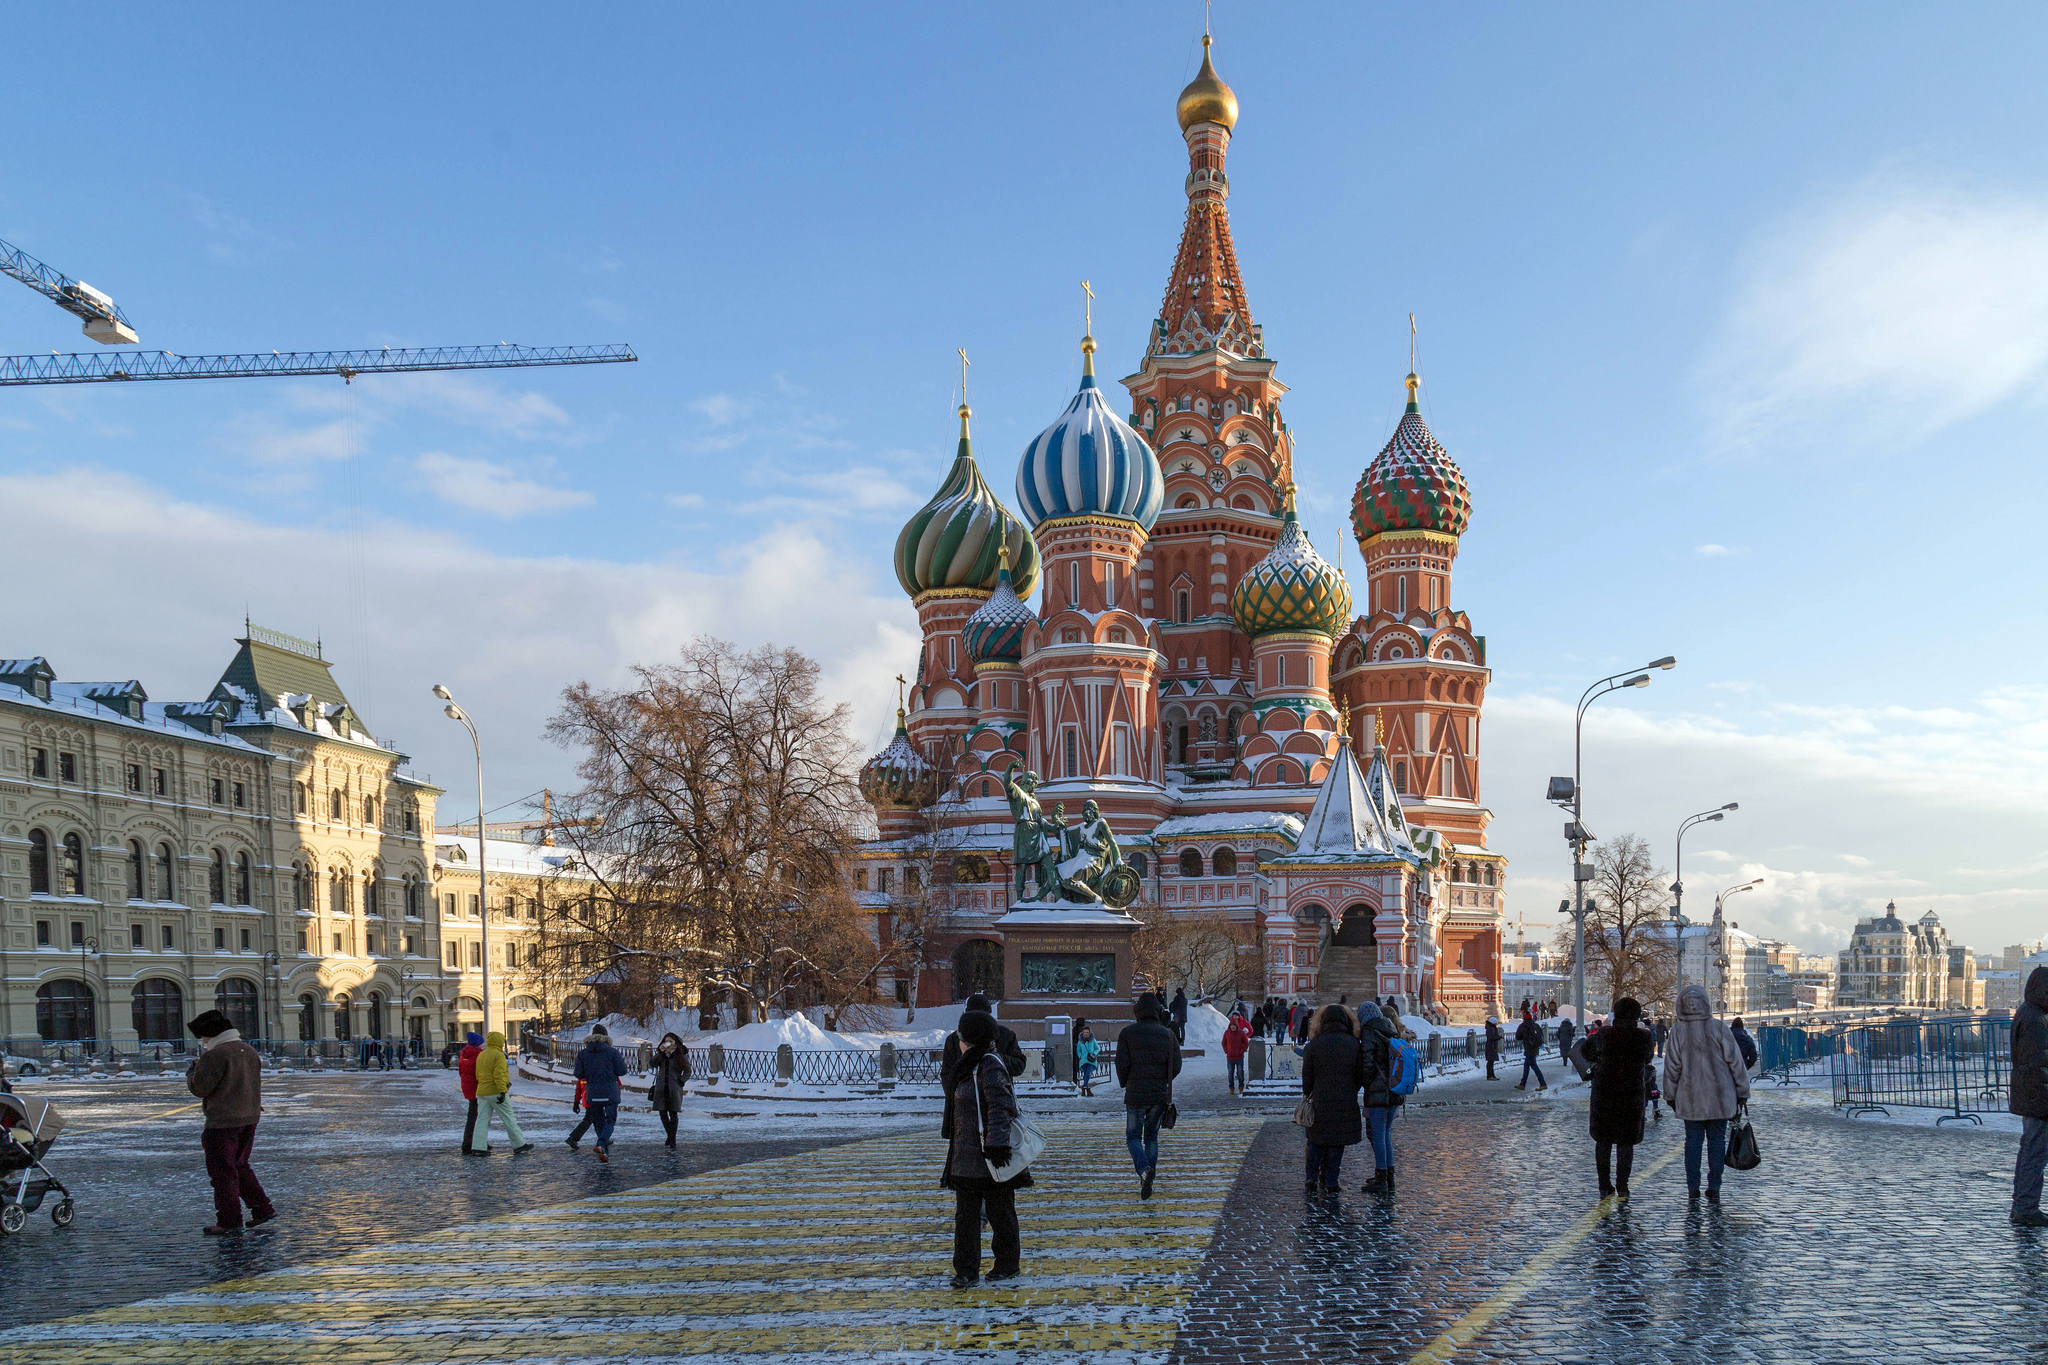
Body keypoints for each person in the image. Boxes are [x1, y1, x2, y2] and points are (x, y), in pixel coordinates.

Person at [943, 1010, 1030, 1287]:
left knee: (1000, 1213)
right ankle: (966, 1271)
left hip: (990, 1155)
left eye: (962, 1034)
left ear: (972, 1037)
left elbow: (1001, 1107)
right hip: (966, 1157)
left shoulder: (989, 1064)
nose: (958, 1039)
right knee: (966, 1218)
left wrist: (997, 1145)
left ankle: (1007, 1264)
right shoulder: (966, 1064)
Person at [185, 1009, 276, 1236]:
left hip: (223, 1121)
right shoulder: (248, 1050)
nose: (202, 1041)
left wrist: (192, 1071)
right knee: (239, 1165)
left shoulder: (215, 1055)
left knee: (222, 1173)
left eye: (203, 1036)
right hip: (249, 1117)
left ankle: (229, 1220)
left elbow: (200, 1088)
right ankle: (262, 1208)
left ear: (211, 1034)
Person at [1664, 983, 1750, 1202]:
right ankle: (1715, 1186)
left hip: (1691, 1097)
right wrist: (1742, 1091)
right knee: (1717, 1141)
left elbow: (1672, 1067)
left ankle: (1693, 1187)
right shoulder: (1719, 1028)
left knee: (1692, 1142)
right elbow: (1736, 1063)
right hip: (1720, 1097)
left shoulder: (1677, 1031)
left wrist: (1670, 1095)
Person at [1585, 998, 1653, 1199]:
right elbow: (1647, 1057)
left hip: (1604, 1094)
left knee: (1603, 1141)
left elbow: (1586, 1051)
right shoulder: (1642, 1037)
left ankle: (1604, 1185)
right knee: (1625, 1142)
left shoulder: (1604, 1034)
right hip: (1630, 1095)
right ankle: (1622, 1186)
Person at [1115, 994, 1181, 1200]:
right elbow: (1176, 1066)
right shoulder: (1168, 1034)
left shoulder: (1127, 1033)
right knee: (1151, 1137)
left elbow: (1121, 1063)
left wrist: (1126, 1081)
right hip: (1158, 1095)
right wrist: (1162, 1079)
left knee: (1133, 1137)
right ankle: (1148, 1175)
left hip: (1135, 1094)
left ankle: (1144, 1170)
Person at [942, 995, 1028, 1146]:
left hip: (987, 1112)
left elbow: (1019, 1065)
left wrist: (993, 1058)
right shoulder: (955, 1039)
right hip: (966, 1113)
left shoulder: (1004, 1035)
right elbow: (947, 1075)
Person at [1300, 1004, 1365, 1193]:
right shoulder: (1353, 1044)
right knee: (1337, 1142)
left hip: (1320, 1099)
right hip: (1346, 1100)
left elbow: (1307, 1074)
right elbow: (1360, 1074)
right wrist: (1351, 1088)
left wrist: (1309, 1092)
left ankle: (1311, 1177)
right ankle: (1331, 1181)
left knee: (1317, 1141)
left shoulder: (1315, 1044)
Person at [2010, 966, 2048, 1225]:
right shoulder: (2036, 1019)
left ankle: (2023, 1206)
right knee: (2034, 1154)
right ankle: (2025, 1208)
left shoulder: (2030, 1013)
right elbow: (2038, 1064)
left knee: (2031, 1152)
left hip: (2033, 1095)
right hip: (2039, 1098)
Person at [1357, 1000, 1403, 1192]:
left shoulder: (1369, 1033)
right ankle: (1388, 1175)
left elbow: (1367, 1064)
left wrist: (1366, 1083)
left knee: (1378, 1135)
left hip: (1378, 1092)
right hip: (1394, 1089)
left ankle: (1381, 1177)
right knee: (1386, 1134)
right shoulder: (1390, 1029)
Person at [567, 1024, 629, 1161]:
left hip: (592, 1092)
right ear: (606, 1037)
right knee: (610, 1120)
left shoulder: (583, 1054)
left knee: (599, 1121)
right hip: (610, 1091)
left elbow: (578, 1074)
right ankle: (601, 1144)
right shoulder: (612, 1052)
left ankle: (604, 1152)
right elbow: (622, 1071)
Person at [470, 1030, 533, 1155]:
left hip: (482, 1092)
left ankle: (478, 1147)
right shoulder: (498, 1055)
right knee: (509, 1118)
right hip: (495, 1091)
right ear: (499, 1042)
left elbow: (478, 1074)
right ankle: (519, 1144)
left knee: (481, 1120)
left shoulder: (481, 1054)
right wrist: (502, 1091)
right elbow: (499, 1075)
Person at [649, 1032, 691, 1149]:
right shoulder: (661, 1054)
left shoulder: (680, 1055)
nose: (668, 1044)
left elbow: (688, 1071)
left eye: (670, 1041)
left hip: (674, 1088)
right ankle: (670, 1135)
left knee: (673, 1113)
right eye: (666, 1041)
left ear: (675, 1043)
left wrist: (681, 1081)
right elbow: (652, 1064)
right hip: (661, 1087)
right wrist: (660, 1052)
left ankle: (672, 1139)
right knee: (662, 1112)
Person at [458, 1031, 485, 1153]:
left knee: (473, 1116)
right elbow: (480, 1073)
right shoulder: (477, 1055)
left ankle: (472, 1142)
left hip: (467, 1086)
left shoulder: (465, 1054)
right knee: (476, 1117)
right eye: (481, 1044)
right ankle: (471, 1143)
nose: (482, 1046)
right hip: (475, 1087)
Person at [1514, 1009, 1548, 1091]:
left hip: (1528, 1047)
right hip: (1535, 1047)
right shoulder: (1536, 1025)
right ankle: (1522, 1084)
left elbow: (1518, 1037)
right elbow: (1541, 1035)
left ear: (1524, 1018)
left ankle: (1543, 1083)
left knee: (1533, 1066)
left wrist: (1525, 1037)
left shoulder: (1523, 1026)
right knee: (1527, 1066)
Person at [1222, 1010, 1252, 1096]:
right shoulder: (1227, 1033)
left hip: (1239, 1057)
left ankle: (1241, 1087)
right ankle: (1231, 1087)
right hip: (1230, 1057)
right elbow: (1223, 1043)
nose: (1233, 1027)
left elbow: (1246, 1043)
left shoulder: (1241, 1033)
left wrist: (1241, 1050)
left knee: (1240, 1072)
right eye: (1232, 1026)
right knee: (1230, 1073)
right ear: (1230, 1026)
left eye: (1234, 1026)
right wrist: (1226, 1050)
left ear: (1236, 1026)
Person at [1075, 1024, 1099, 1097]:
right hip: (1083, 1060)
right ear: (1082, 1033)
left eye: (1087, 1032)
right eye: (1085, 1032)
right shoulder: (1080, 1042)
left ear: (1089, 1033)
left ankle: (1084, 1087)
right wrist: (1080, 1055)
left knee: (1088, 1074)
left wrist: (1094, 1053)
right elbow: (1078, 1050)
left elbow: (1097, 1048)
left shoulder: (1093, 1040)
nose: (1086, 1034)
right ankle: (1087, 1089)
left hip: (1091, 1060)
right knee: (1086, 1074)